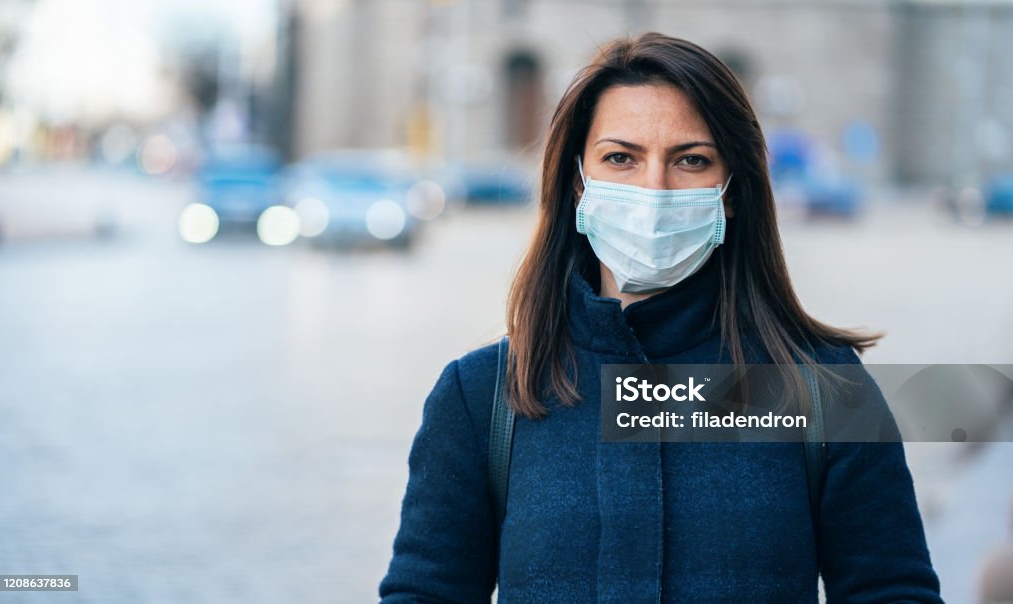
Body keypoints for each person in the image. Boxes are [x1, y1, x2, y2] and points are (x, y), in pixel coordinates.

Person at [379, 32, 942, 603]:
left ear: (729, 190)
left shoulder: (826, 392)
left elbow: (891, 591)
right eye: (621, 158)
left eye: (691, 160)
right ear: (579, 181)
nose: (654, 189)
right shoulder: (481, 398)